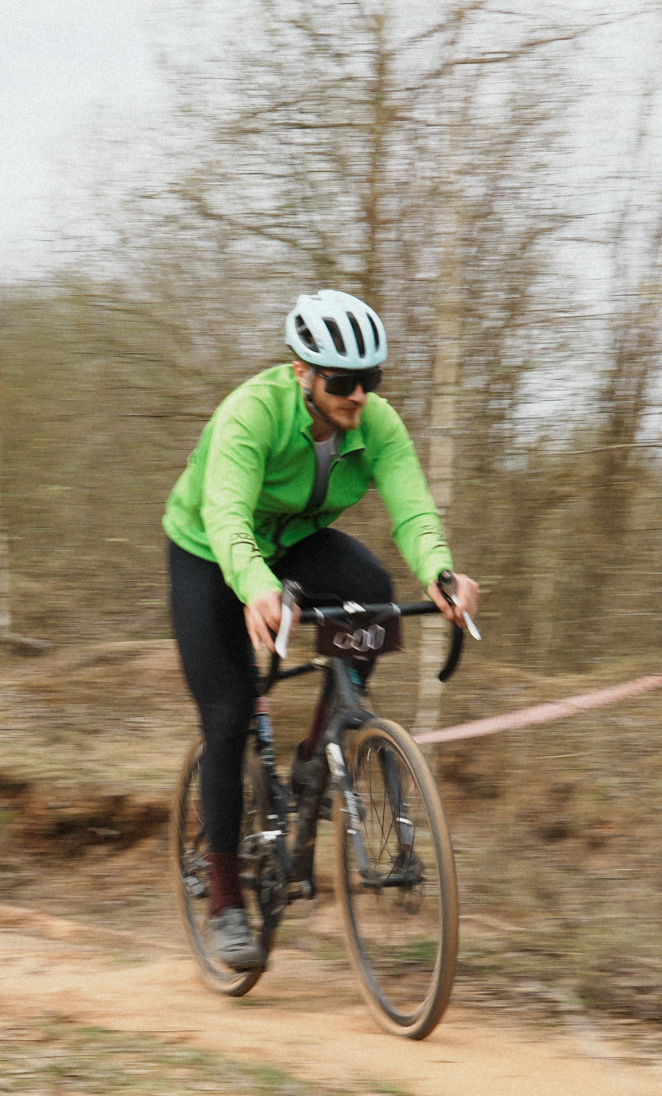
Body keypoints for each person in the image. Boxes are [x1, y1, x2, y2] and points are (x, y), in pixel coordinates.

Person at [164, 290, 481, 971]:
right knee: (227, 716)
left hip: (294, 544)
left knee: (373, 593)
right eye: (342, 382)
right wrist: (256, 590)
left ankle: (318, 749)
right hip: (209, 552)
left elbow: (413, 508)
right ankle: (226, 905)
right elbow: (227, 516)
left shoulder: (376, 422)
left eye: (372, 379)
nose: (359, 394)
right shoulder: (252, 414)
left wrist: (441, 572)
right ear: (303, 373)